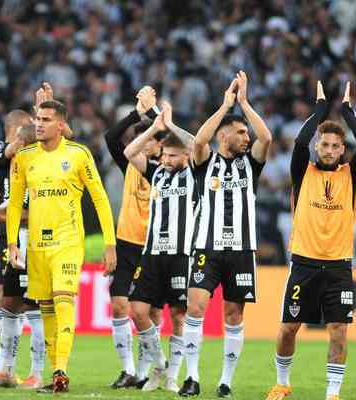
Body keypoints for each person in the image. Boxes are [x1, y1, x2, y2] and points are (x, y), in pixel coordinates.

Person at [265, 81, 356, 400]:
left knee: (338, 330)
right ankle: (282, 382)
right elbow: (299, 142)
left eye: (335, 146)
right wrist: (320, 110)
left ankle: (332, 394)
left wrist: (348, 113)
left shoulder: (350, 176)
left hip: (339, 266)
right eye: (324, 145)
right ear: (318, 147)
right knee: (288, 329)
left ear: (342, 150)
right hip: (304, 262)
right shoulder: (303, 171)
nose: (328, 150)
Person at [7, 99, 117, 393]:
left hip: (68, 241)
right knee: (46, 309)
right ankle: (57, 375)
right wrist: (12, 242)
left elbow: (100, 199)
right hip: (36, 245)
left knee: (63, 299)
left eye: (45, 119)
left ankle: (61, 369)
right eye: (37, 118)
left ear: (60, 125)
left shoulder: (79, 155)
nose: (38, 123)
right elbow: (16, 203)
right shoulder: (25, 157)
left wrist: (110, 244)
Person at [180, 71, 272, 398]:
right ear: (225, 136)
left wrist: (244, 104)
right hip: (207, 246)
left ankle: (225, 381)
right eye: (241, 132)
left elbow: (267, 139)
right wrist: (225, 107)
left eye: (246, 133)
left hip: (242, 250)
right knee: (196, 308)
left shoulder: (252, 164)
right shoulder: (206, 161)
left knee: (234, 314)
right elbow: (200, 141)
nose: (247, 138)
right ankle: (191, 377)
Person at [123, 102, 197, 393]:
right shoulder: (155, 173)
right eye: (165, 154)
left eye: (173, 155)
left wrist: (170, 122)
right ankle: (160, 364)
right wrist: (155, 127)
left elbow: (197, 143)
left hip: (180, 255)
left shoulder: (194, 174)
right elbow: (130, 152)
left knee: (178, 316)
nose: (167, 159)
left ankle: (172, 377)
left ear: (187, 156)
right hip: (152, 254)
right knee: (138, 311)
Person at [104, 86, 166, 389]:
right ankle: (128, 369)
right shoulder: (129, 164)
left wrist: (156, 115)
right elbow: (110, 138)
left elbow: (173, 134)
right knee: (119, 305)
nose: (140, 146)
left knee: (150, 312)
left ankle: (145, 371)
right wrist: (138, 112)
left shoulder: (168, 169)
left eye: (149, 140)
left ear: (158, 144)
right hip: (126, 243)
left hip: (154, 246)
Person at [0, 108, 33, 384]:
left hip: (31, 237)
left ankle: (6, 369)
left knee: (19, 305)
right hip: (5, 235)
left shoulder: (30, 161)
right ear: (14, 132)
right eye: (27, 131)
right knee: (1, 298)